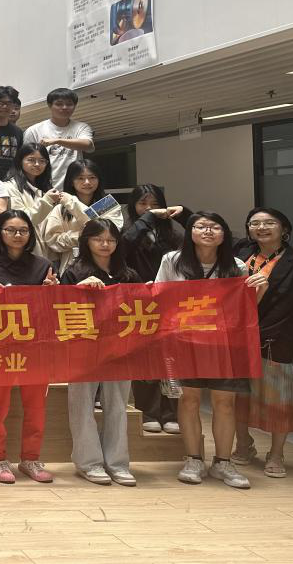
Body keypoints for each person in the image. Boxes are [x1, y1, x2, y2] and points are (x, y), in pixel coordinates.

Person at [156, 211, 269, 489]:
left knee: (225, 403)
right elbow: (159, 297)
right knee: (189, 401)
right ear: (190, 232)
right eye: (201, 226)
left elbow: (245, 308)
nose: (208, 231)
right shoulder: (172, 260)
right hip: (184, 342)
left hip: (225, 344)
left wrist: (261, 289)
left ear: (224, 234)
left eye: (215, 227)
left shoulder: (237, 265)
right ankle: (193, 459)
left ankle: (223, 463)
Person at [0, 210, 58, 484]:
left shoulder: (43, 265)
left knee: (36, 407)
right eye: (10, 230)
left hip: (35, 346)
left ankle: (31, 459)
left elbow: (53, 309)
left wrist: (52, 291)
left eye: (23, 230)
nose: (17, 235)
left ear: (30, 234)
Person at [232, 207, 293, 479]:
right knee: (239, 394)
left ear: (284, 229)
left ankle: (276, 453)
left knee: (279, 398)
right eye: (254, 223)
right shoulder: (242, 253)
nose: (261, 228)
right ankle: (243, 444)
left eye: (269, 223)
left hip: (274, 338)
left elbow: (287, 307)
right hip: (237, 336)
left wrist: (254, 332)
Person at [60, 219, 140, 487]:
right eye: (98, 239)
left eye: (111, 240)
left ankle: (118, 463)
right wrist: (80, 289)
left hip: (120, 347)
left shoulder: (128, 273)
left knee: (117, 406)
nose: (105, 244)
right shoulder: (74, 272)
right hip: (83, 348)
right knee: (81, 405)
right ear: (87, 241)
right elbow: (59, 307)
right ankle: (89, 462)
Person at [122, 184, 191, 433]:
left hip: (171, 303)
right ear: (133, 206)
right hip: (139, 303)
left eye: (154, 204)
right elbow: (123, 247)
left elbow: (202, 230)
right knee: (145, 359)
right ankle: (148, 411)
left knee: (172, 360)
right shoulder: (128, 232)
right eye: (143, 204)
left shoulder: (173, 235)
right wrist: (148, 218)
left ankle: (171, 412)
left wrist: (183, 214)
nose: (149, 208)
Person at [43, 159, 123, 270]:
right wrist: (80, 236)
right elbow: (52, 240)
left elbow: (111, 232)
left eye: (92, 177)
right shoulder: (61, 209)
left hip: (106, 265)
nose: (87, 182)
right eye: (80, 178)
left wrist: (72, 203)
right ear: (71, 181)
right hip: (72, 268)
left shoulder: (107, 204)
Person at [22, 88, 95, 189]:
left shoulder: (81, 127)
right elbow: (24, 160)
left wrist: (57, 140)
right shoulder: (34, 130)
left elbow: (87, 144)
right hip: (43, 187)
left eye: (69, 104)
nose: (64, 107)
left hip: (74, 188)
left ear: (75, 106)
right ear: (50, 105)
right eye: (59, 104)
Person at [3, 144, 63, 259]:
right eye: (31, 160)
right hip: (27, 252)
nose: (37, 164)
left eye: (42, 161)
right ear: (20, 161)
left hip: (52, 251)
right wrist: (47, 200)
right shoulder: (9, 187)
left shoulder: (47, 187)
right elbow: (22, 220)